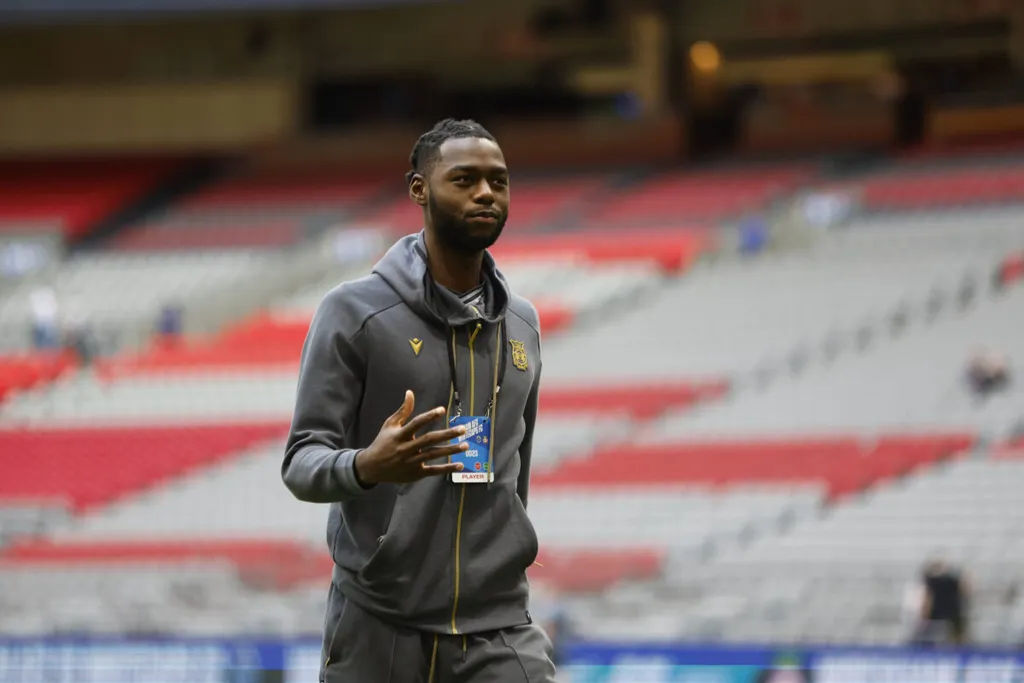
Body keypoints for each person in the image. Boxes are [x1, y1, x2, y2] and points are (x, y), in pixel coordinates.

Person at [282, 118, 555, 683]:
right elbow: (300, 462)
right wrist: (366, 466)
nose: (486, 193)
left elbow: (514, 474)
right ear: (419, 190)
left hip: (497, 624)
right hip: (380, 623)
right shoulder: (355, 314)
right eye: (465, 179)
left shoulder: (522, 324)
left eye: (498, 181)